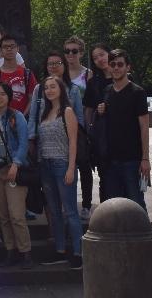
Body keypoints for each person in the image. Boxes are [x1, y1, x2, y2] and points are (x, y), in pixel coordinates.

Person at [35, 75, 83, 269]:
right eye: (46, 87)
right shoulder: (44, 113)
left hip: (62, 164)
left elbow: (73, 142)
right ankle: (60, 250)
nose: (49, 90)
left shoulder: (67, 112)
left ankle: (78, 252)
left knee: (70, 211)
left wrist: (71, 167)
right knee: (54, 212)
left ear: (61, 89)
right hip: (45, 165)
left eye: (53, 86)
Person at [0, 82, 33, 268]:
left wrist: (17, 163)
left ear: (8, 96)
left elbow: (24, 143)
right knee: (2, 214)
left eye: (2, 94)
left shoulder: (17, 116)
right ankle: (10, 250)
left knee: (16, 214)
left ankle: (25, 252)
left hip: (14, 169)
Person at [95, 48, 150, 211]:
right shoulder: (107, 91)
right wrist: (101, 111)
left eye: (120, 64)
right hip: (110, 160)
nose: (116, 68)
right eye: (113, 64)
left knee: (136, 204)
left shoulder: (137, 92)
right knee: (115, 207)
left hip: (132, 159)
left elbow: (144, 127)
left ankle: (143, 229)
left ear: (128, 67)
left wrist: (145, 158)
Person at [60, 38, 94, 219]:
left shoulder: (88, 74)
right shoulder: (60, 73)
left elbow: (91, 101)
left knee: (84, 165)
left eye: (74, 51)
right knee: (64, 165)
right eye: (67, 51)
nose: (70, 54)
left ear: (81, 53)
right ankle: (67, 202)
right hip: (61, 125)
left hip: (81, 125)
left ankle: (86, 204)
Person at [83, 41, 114, 204]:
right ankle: (107, 215)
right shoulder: (93, 82)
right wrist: (89, 131)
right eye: (95, 58)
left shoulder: (124, 78)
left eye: (102, 54)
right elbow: (88, 109)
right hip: (102, 136)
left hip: (123, 136)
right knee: (105, 180)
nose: (100, 59)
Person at [0, 35, 37, 116]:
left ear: (17, 49)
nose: (9, 49)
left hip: (24, 120)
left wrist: (22, 117)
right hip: (1, 120)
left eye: (12, 46)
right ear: (1, 50)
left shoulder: (27, 74)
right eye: (5, 47)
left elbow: (33, 99)